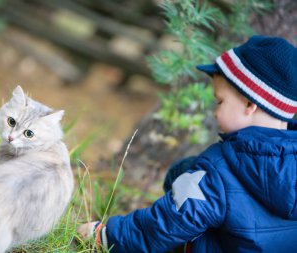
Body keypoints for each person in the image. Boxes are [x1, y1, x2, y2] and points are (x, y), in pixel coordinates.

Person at [77, 35, 297, 253]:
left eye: (220, 101)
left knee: (187, 180)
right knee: (186, 170)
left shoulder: (218, 170)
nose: (215, 111)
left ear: (250, 104)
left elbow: (166, 223)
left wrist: (106, 236)